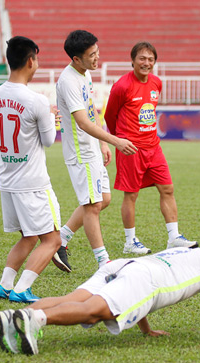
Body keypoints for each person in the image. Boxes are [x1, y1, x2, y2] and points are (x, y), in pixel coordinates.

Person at [0, 231, 200, 355]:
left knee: (70, 300)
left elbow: (140, 295)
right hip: (143, 277)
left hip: (125, 266)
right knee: (91, 313)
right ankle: (34, 320)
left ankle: (14, 317)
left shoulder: (191, 253)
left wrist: (146, 329)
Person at [0, 36, 64, 303]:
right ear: (31, 61)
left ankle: (5, 285)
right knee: (53, 240)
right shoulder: (37, 101)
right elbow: (49, 141)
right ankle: (21, 289)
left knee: (30, 236)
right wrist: (53, 121)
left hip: (7, 179)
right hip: (33, 182)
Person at [53, 30, 138, 271]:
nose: (96, 58)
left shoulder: (85, 74)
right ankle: (104, 263)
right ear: (75, 59)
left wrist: (102, 143)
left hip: (92, 147)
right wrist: (115, 140)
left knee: (104, 200)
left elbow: (92, 111)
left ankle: (61, 239)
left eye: (97, 52)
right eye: (91, 55)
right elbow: (82, 122)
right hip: (80, 152)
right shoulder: (68, 81)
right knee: (92, 206)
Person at [104, 41, 198, 255]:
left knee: (167, 188)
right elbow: (110, 115)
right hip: (131, 148)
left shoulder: (156, 83)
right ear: (133, 60)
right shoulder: (122, 86)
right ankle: (130, 241)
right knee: (131, 195)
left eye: (150, 59)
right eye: (142, 59)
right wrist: (120, 139)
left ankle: (174, 237)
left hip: (153, 147)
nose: (146, 63)